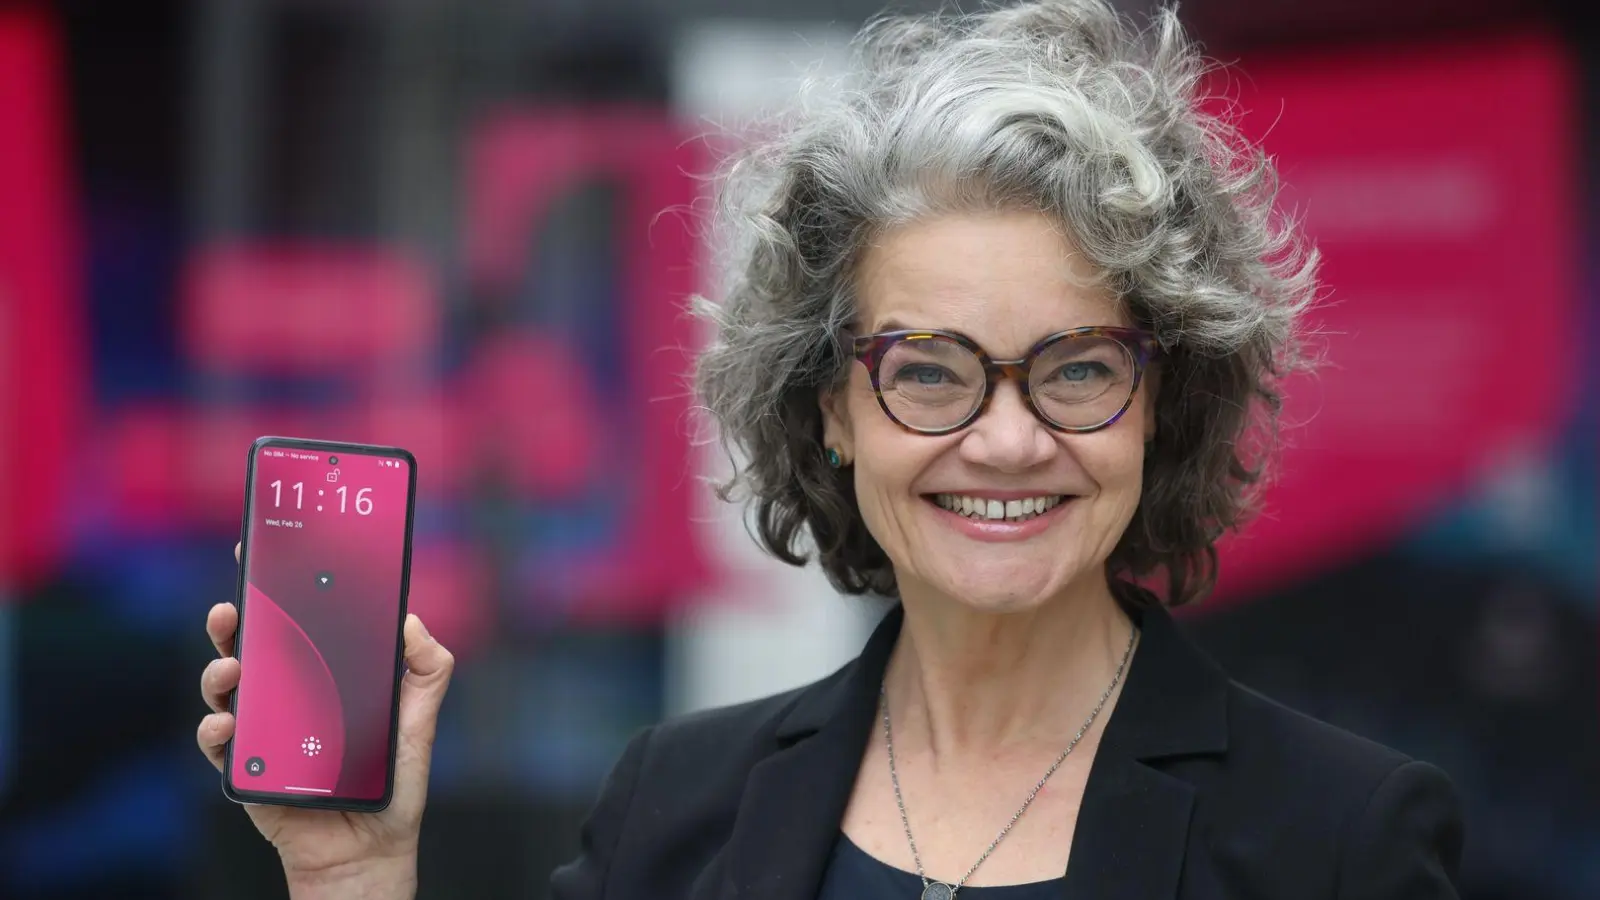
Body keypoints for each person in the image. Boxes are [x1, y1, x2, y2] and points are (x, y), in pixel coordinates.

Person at [195, 1, 1465, 897]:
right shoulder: (675, 806)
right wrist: (352, 875)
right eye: (929, 372)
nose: (1008, 439)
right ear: (830, 412)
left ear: (1160, 404)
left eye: (1077, 368)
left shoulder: (1342, 839)